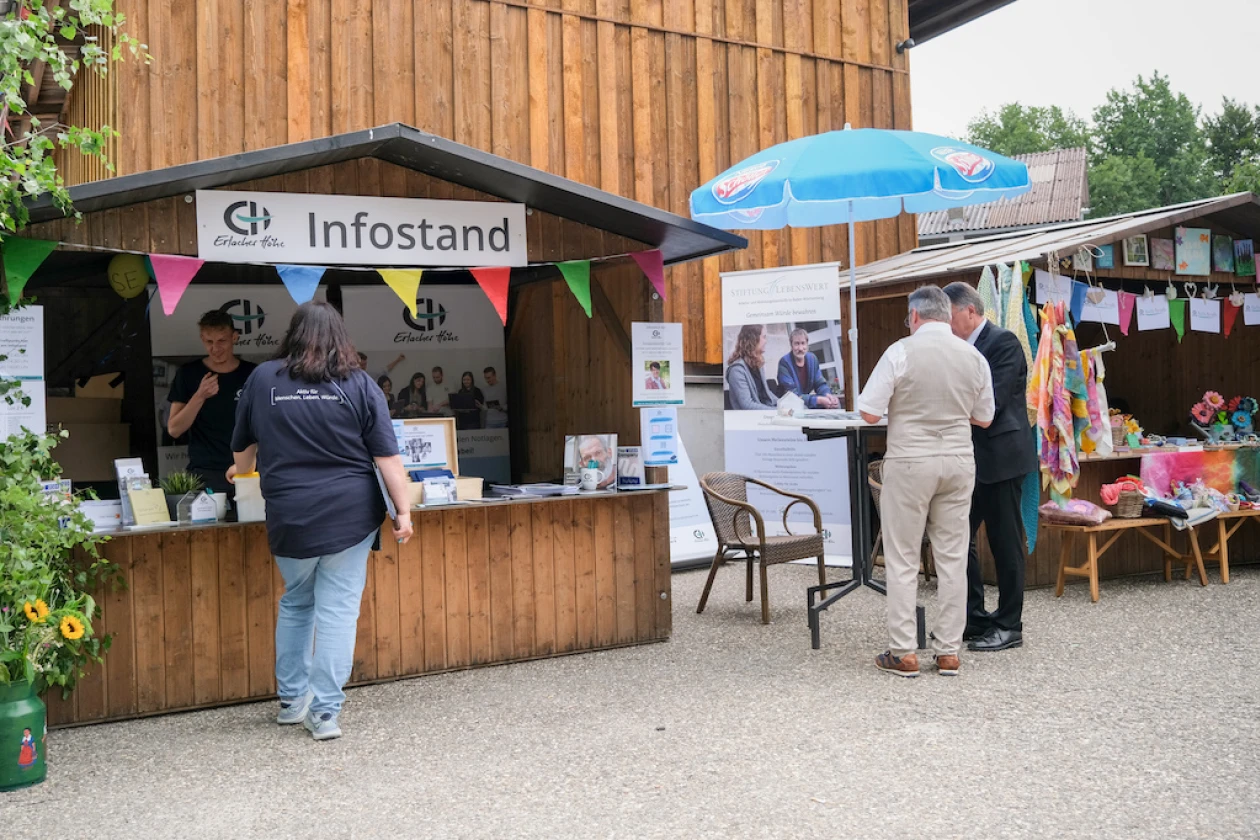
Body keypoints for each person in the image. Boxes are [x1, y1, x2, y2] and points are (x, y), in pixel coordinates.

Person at [228, 301, 413, 741]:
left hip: (289, 513)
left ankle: (293, 702)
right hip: (350, 514)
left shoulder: (263, 379)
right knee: (337, 612)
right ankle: (325, 713)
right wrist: (403, 511)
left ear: (293, 334)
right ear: (340, 337)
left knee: (296, 601)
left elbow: (242, 451)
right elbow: (387, 458)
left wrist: (241, 469)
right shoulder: (360, 384)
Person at [857, 286, 994, 678]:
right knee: (953, 557)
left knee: (902, 557)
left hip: (910, 461)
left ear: (914, 316)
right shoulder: (973, 356)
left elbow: (868, 412)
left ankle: (903, 652)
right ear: (948, 316)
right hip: (958, 461)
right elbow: (984, 418)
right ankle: (948, 651)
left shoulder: (900, 351)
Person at [944, 282, 1037, 653]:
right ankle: (975, 617)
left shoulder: (1004, 342)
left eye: (949, 317)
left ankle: (1010, 624)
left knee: (1005, 542)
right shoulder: (953, 349)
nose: (946, 326)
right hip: (966, 460)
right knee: (956, 537)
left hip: (1000, 457)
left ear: (970, 311)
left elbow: (991, 403)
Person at [167, 310, 257, 494]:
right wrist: (200, 396)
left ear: (234, 337)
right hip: (205, 471)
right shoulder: (188, 374)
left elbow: (267, 425)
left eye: (222, 341)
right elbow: (174, 429)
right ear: (202, 339)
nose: (215, 348)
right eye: (209, 342)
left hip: (247, 469)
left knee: (255, 523)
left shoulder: (253, 374)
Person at [776, 328, 841, 409]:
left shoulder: (812, 359)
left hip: (805, 402)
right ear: (791, 345)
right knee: (805, 408)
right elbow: (792, 395)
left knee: (835, 405)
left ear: (807, 344)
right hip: (788, 405)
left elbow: (820, 384)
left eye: (803, 343)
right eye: (796, 344)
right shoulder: (784, 363)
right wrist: (818, 400)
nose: (800, 348)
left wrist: (827, 395)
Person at [725, 324, 778, 410]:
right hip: (748, 419)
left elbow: (766, 394)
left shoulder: (757, 363)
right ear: (754, 339)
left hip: (763, 413)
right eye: (764, 337)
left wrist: (782, 404)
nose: (766, 341)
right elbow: (747, 405)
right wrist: (776, 411)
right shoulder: (736, 371)